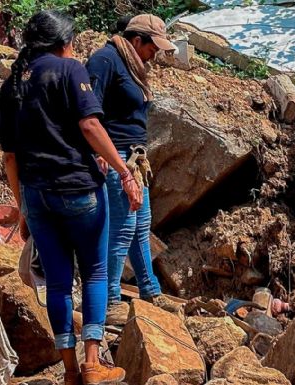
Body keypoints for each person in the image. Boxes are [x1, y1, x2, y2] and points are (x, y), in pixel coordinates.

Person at [0, 10, 142, 385]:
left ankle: (70, 371)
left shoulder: (12, 83)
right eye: (73, 40)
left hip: (37, 195)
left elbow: (10, 157)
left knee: (58, 283)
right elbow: (90, 124)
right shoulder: (69, 70)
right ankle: (93, 364)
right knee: (94, 271)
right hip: (79, 190)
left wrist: (24, 209)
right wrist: (125, 172)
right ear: (63, 41)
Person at [86, 14, 180, 326]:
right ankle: (111, 300)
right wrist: (98, 153)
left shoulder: (134, 66)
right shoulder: (105, 60)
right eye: (153, 47)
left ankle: (151, 291)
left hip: (136, 156)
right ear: (136, 40)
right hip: (115, 155)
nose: (156, 54)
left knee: (141, 225)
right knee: (123, 227)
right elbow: (88, 112)